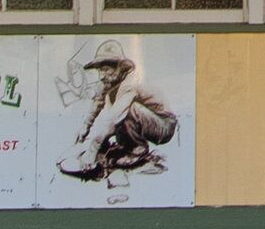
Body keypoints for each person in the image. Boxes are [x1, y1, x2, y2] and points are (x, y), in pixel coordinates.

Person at [58, 42, 178, 183]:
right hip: (146, 120)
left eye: (106, 70)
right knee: (118, 117)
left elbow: (112, 118)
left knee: (128, 110)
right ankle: (125, 147)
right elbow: (97, 104)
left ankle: (137, 150)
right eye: (100, 71)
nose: (102, 75)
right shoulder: (109, 82)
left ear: (120, 68)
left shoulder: (129, 84)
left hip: (163, 125)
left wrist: (92, 150)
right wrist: (85, 127)